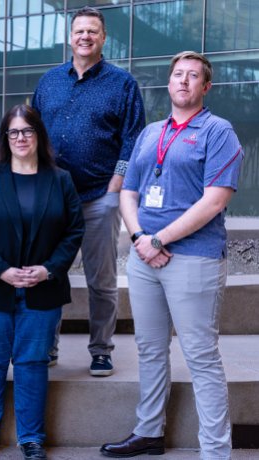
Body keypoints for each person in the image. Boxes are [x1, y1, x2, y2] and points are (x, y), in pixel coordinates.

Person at [101, 52, 243, 460]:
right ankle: (149, 432)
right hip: (146, 257)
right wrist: (141, 236)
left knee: (201, 356)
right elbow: (128, 191)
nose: (183, 81)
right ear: (168, 82)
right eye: (178, 74)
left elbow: (214, 201)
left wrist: (158, 239)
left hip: (193, 258)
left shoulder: (219, 132)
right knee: (149, 348)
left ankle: (215, 452)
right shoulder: (150, 133)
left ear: (205, 86)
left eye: (193, 76)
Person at [0, 104, 84, 460]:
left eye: (27, 131)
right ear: (4, 138)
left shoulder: (60, 179)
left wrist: (49, 268)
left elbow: (74, 230)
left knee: (32, 363)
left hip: (42, 288)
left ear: (38, 135)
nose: (20, 138)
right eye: (13, 132)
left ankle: (31, 438)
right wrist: (1, 270)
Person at [32, 6, 146, 376]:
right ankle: (47, 347)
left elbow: (133, 140)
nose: (85, 37)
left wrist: (116, 186)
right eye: (79, 31)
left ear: (102, 38)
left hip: (100, 195)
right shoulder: (48, 81)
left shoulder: (122, 84)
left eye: (92, 32)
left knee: (101, 280)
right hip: (51, 198)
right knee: (49, 274)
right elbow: (31, 135)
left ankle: (101, 349)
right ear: (70, 37)